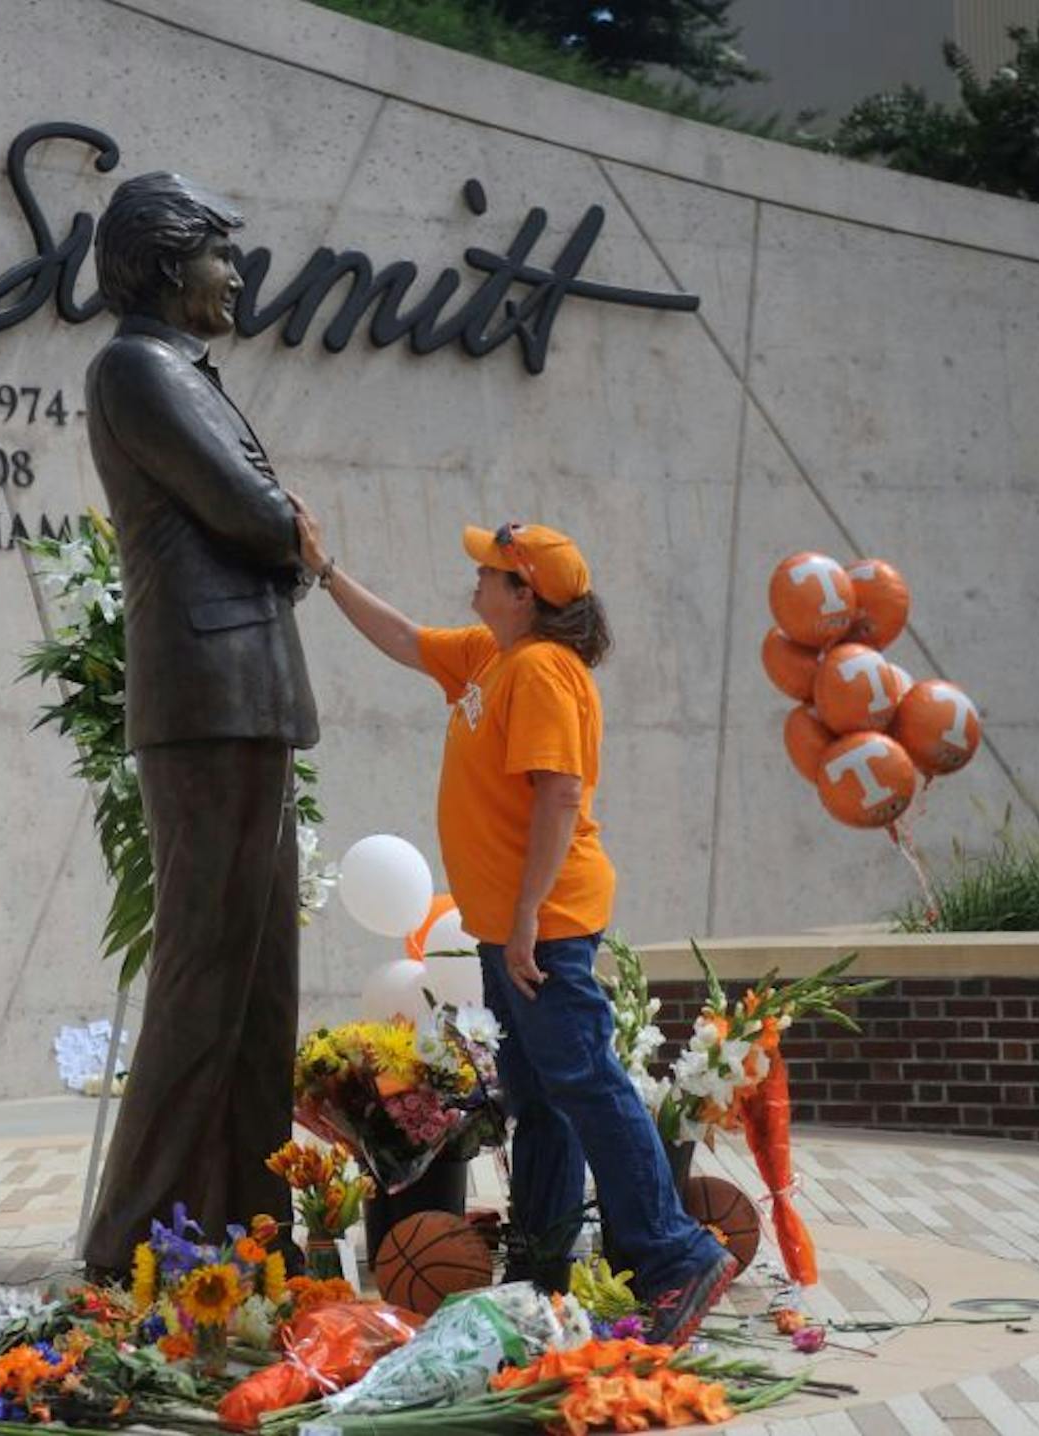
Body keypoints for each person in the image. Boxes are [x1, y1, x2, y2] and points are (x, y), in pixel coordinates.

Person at [290, 510, 734, 1346]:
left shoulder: (539, 673)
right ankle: (543, 1267)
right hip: (512, 927)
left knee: (585, 1083)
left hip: (547, 925)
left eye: (491, 572)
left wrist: (527, 920)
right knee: (541, 1098)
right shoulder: (490, 656)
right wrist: (326, 568)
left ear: (524, 593)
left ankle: (674, 1257)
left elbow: (560, 795)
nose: (477, 579)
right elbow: (402, 637)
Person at [78, 173, 318, 1279]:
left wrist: (287, 537)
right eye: (221, 253)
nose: (236, 273)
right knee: (204, 975)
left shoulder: (188, 371)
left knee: (263, 986)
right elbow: (260, 515)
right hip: (208, 703)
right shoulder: (136, 366)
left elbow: (279, 538)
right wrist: (286, 531)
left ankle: (248, 1230)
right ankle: (135, 1242)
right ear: (171, 262)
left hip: (248, 696)